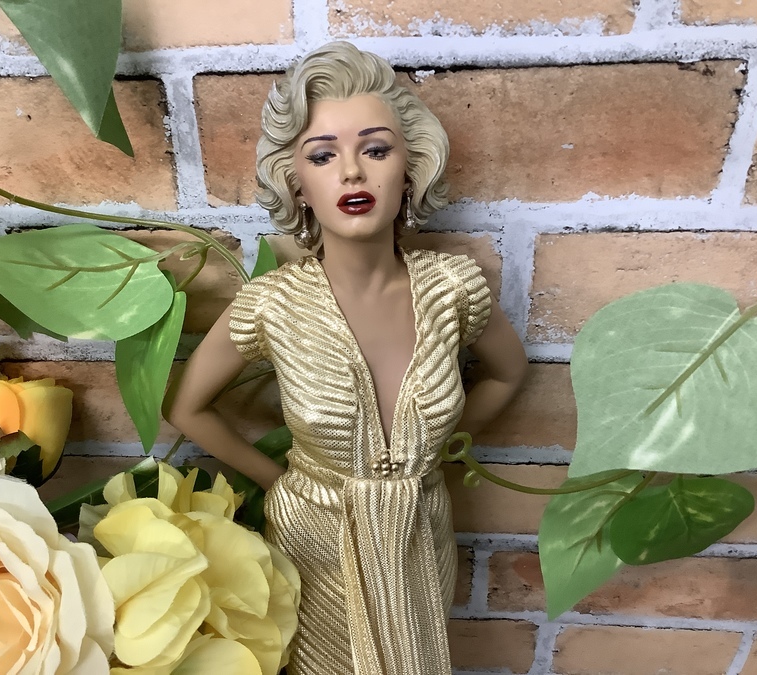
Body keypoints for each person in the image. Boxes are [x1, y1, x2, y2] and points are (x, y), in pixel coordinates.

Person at [166, 41, 528, 675]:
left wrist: (439, 451)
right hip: (314, 538)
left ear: (410, 168)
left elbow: (508, 371)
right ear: (297, 182)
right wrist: (277, 481)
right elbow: (187, 408)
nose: (352, 173)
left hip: (418, 533)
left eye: (376, 150)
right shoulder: (272, 303)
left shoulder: (453, 287)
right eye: (323, 155)